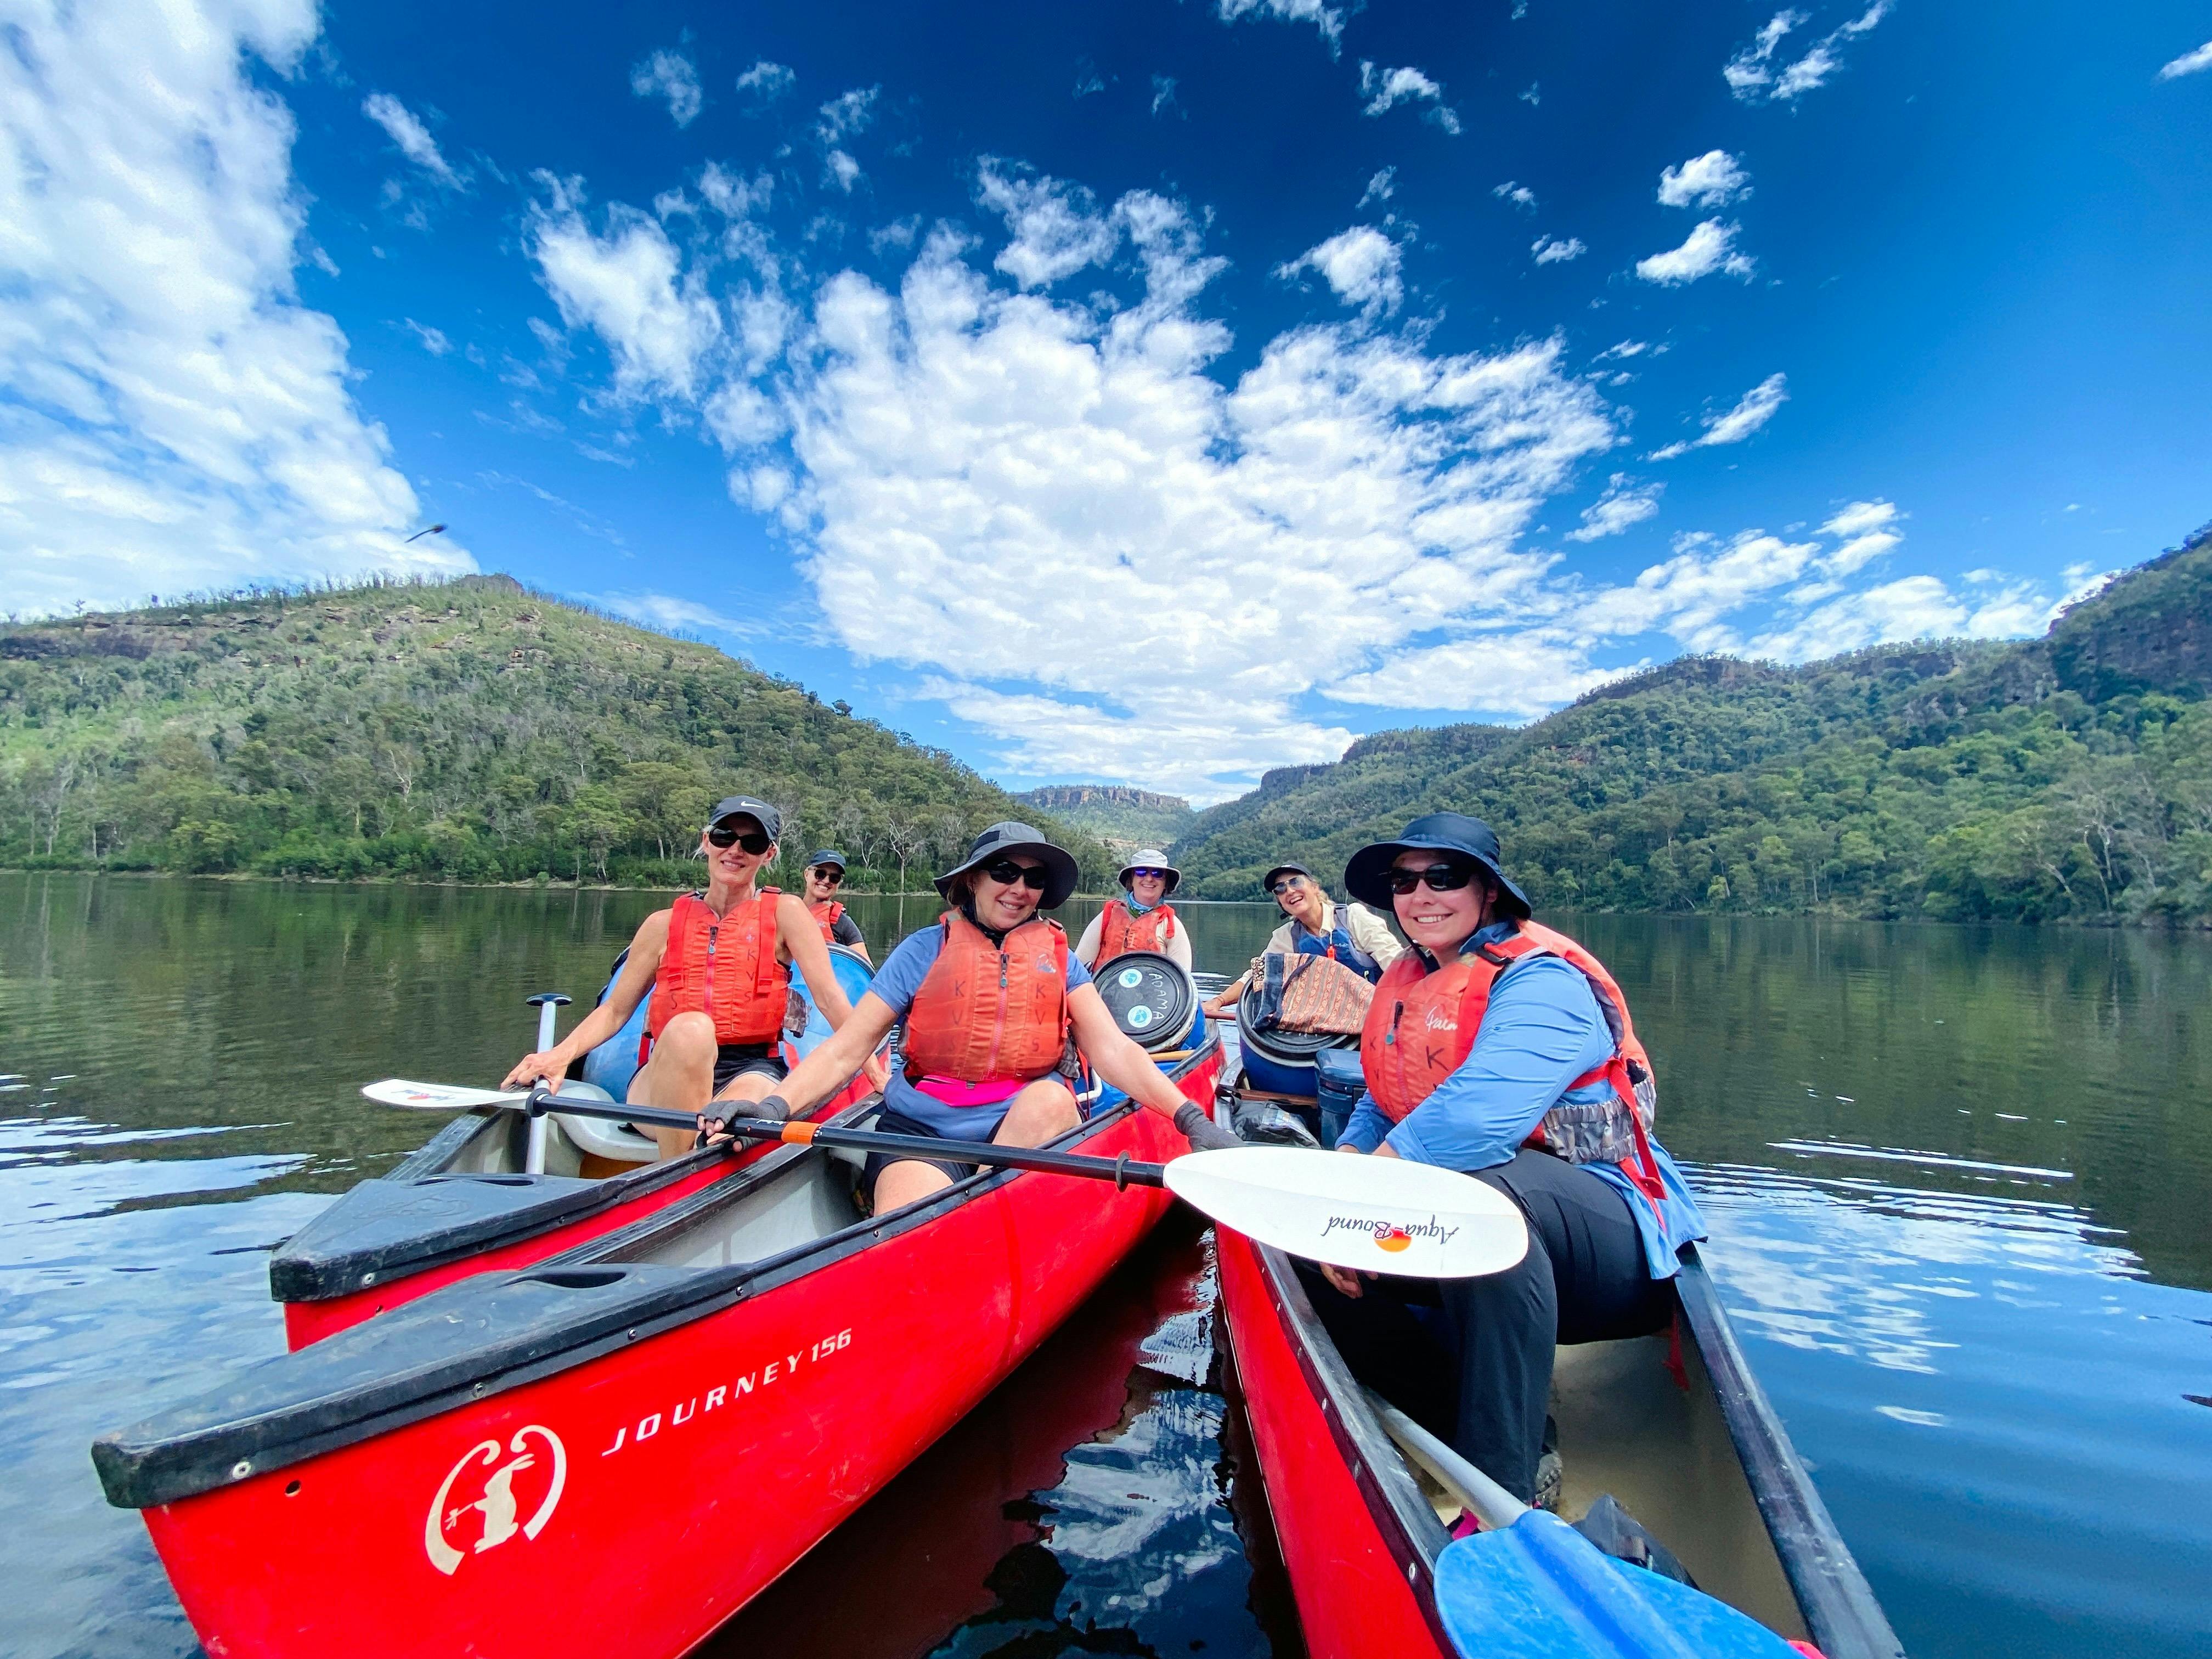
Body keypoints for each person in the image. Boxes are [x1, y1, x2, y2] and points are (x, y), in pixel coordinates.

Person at [1307, 812, 1707, 1510]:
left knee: (1479, 1201)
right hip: (1464, 1219)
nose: (1421, 895)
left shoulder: (1544, 982)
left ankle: (1506, 1487)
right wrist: (1345, 1170)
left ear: (1489, 891)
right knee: (1294, 1234)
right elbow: (1382, 1100)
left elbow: (1482, 1115)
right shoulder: (1407, 978)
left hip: (1605, 1242)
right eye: (1404, 882)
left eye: (1445, 876)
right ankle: (1444, 1412)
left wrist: (1366, 1198)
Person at [708, 821, 1219, 1214]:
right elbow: (847, 1048)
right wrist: (776, 1107)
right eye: (1005, 872)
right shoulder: (922, 951)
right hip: (921, 1132)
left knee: (1049, 1098)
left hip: (1018, 1129)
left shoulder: (1059, 959)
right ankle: (952, 1213)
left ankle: (981, 1208)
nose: (1019, 888)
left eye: (1034, 878)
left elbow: (1114, 1050)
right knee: (914, 1220)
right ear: (973, 879)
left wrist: (1190, 1118)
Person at [503, 798, 869, 1161]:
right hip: (669, 1069)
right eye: (725, 836)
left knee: (733, 1121)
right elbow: (615, 1011)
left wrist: (877, 1074)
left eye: (752, 843)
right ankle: (677, 1168)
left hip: (750, 1070)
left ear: (768, 855)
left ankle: (692, 1163)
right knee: (690, 1030)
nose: (735, 851)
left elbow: (829, 998)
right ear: (707, 840)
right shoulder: (661, 925)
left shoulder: (787, 913)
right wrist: (558, 1056)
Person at [1199, 861, 1404, 1018]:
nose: (1289, 890)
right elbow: (1256, 976)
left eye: (1295, 882)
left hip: (1373, 1017)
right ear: (1280, 901)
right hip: (1321, 1024)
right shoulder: (1285, 937)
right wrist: (1218, 1001)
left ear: (1315, 887)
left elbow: (1396, 963)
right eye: (1280, 889)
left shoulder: (1353, 917)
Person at [1074, 849, 1192, 971]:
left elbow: (1182, 978)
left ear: (1165, 883)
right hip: (1102, 989)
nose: (1149, 879)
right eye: (1141, 872)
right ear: (1132, 879)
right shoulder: (1108, 916)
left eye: (1157, 873)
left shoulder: (1171, 926)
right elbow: (1079, 966)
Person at [802, 848, 869, 963]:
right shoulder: (786, 912)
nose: (826, 881)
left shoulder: (843, 923)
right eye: (820, 874)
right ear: (807, 874)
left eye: (834, 878)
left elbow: (865, 966)